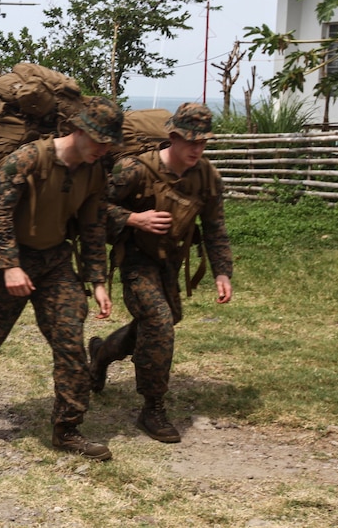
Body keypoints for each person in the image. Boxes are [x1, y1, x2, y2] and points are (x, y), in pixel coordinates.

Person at [0, 96, 123, 461]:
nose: (103, 149)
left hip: (55, 262)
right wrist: (9, 265)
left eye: (109, 144)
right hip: (9, 259)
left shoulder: (93, 172)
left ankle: (67, 427)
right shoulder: (28, 158)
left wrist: (98, 281)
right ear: (77, 130)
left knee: (70, 342)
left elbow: (91, 228)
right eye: (98, 141)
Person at [91, 102, 233, 444]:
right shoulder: (134, 169)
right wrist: (134, 219)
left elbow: (214, 226)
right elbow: (95, 209)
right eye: (191, 142)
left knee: (156, 323)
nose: (197, 149)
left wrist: (222, 272)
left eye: (203, 143)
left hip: (170, 260)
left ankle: (99, 356)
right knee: (159, 322)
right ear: (173, 137)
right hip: (136, 258)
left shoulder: (206, 175)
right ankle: (152, 407)